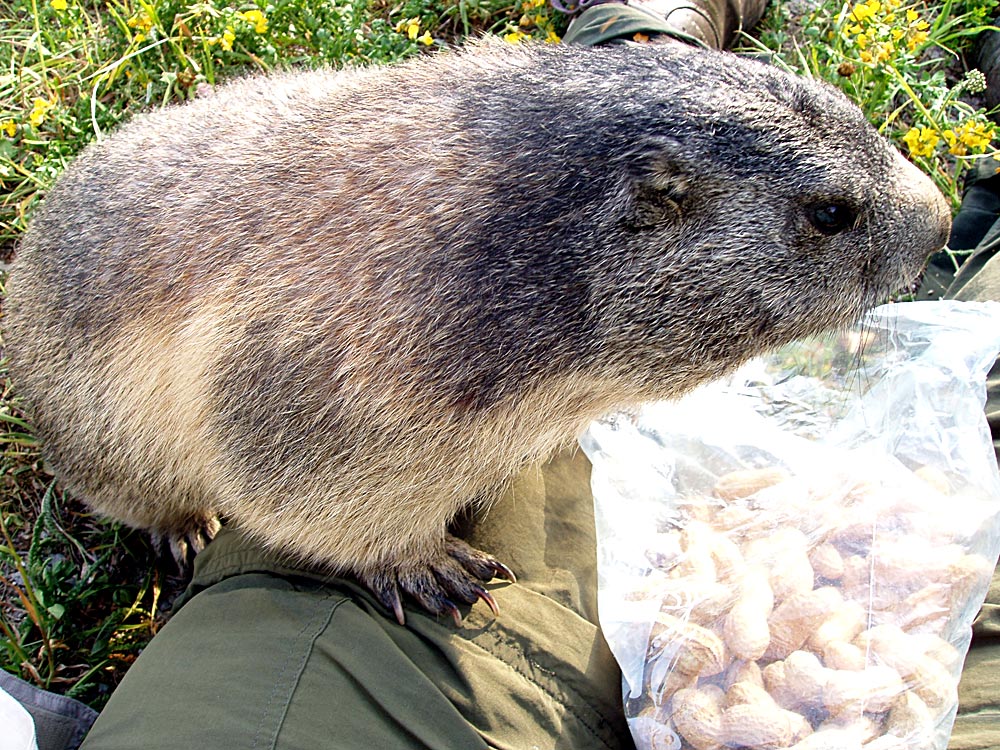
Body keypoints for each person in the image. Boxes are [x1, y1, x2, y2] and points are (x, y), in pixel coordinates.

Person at [7, 3, 1000, 748]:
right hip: (125, 363)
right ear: (660, 207)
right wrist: (388, 543)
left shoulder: (557, 248)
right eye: (827, 216)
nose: (920, 205)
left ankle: (637, 53)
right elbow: (281, 456)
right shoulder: (402, 317)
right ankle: (648, 48)